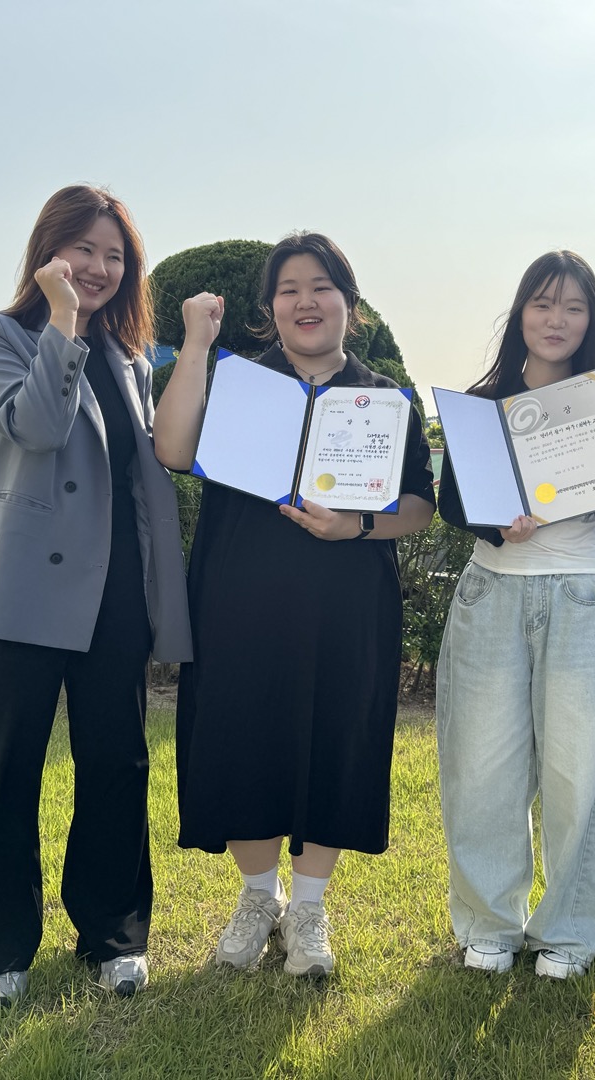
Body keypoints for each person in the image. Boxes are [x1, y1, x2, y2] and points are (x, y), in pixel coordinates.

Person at [153, 232, 435, 978]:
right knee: (243, 734)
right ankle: (258, 898)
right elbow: (174, 450)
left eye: (322, 287)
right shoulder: (241, 382)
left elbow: (419, 505)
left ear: (352, 305)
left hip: (346, 604)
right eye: (288, 289)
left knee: (335, 737)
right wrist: (195, 344)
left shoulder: (381, 399)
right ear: (269, 309)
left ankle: (308, 908)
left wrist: (358, 525)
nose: (305, 301)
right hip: (238, 597)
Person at [0, 184, 192, 1008]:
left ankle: (114, 932)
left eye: (113, 256)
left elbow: (144, 466)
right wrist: (62, 320)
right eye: (82, 250)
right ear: (48, 251)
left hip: (112, 590)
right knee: (8, 768)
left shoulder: (130, 359)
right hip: (17, 592)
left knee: (117, 762)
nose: (96, 268)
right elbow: (39, 427)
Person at [435, 251, 595, 979]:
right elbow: (453, 500)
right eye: (543, 304)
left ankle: (572, 931)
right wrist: (494, 525)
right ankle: (490, 922)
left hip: (581, 591)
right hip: (493, 593)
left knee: (582, 770)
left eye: (574, 308)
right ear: (521, 313)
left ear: (592, 322)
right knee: (482, 766)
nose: (557, 320)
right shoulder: (482, 402)